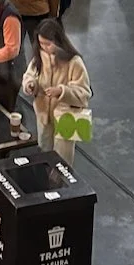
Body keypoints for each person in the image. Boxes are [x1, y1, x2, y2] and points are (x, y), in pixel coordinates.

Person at [21, 19, 92, 164]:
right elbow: (30, 75)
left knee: (62, 160)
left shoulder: (74, 62)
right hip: (43, 117)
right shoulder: (39, 57)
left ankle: (61, 185)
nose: (45, 48)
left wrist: (61, 91)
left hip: (66, 118)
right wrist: (30, 84)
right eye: (41, 44)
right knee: (44, 153)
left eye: (48, 44)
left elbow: (84, 92)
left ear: (58, 41)